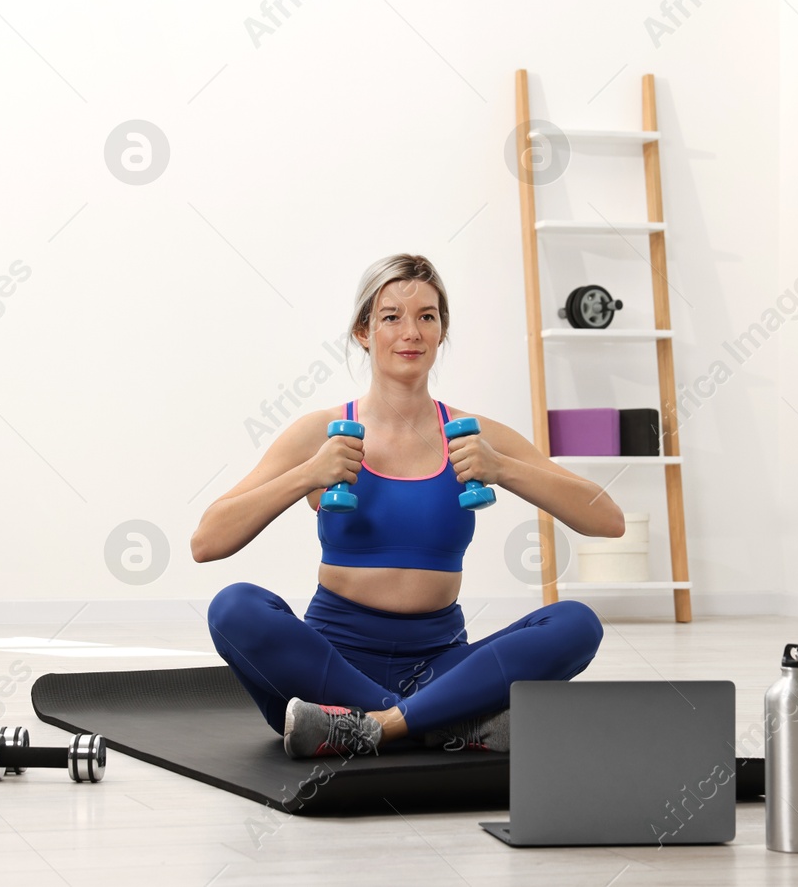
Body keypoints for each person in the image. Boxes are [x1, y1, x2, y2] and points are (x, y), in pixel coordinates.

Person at [192, 253, 619, 760]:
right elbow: (207, 542)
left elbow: (606, 519)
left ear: (442, 332)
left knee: (576, 623)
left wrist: (503, 469)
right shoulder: (321, 432)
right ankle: (436, 722)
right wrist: (308, 474)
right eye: (391, 316)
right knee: (233, 607)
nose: (410, 331)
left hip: (439, 665)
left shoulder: (475, 434)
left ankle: (372, 727)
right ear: (363, 331)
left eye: (427, 316)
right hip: (329, 664)